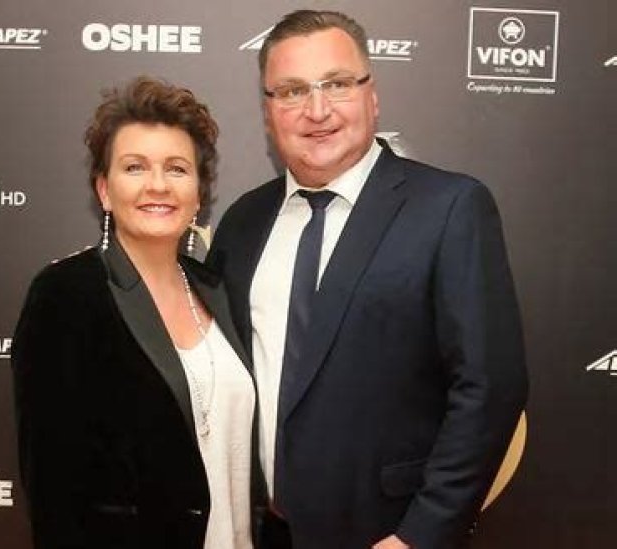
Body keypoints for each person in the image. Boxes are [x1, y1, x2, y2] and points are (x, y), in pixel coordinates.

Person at [207, 10, 528, 549]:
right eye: (292, 91)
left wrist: (420, 534)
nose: (317, 110)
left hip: (389, 534)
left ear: (371, 95)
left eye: (336, 84)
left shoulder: (450, 208)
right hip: (266, 532)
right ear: (267, 112)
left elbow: (490, 388)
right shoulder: (243, 222)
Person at [11, 76, 261, 549]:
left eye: (177, 169)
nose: (158, 185)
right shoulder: (66, 296)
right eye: (134, 167)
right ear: (104, 190)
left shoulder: (215, 287)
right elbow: (52, 490)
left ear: (199, 194)